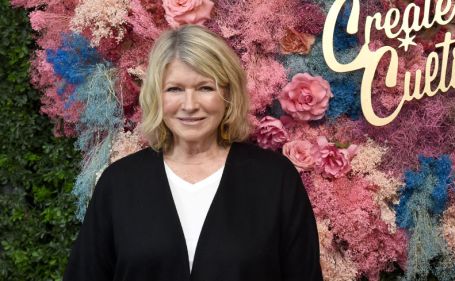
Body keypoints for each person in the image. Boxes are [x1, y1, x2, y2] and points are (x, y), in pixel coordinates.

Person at [64, 25, 323, 281]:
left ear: (228, 94)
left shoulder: (274, 180)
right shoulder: (119, 183)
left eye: (205, 88)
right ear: (157, 96)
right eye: (175, 89)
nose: (189, 105)